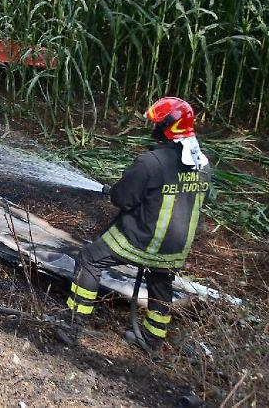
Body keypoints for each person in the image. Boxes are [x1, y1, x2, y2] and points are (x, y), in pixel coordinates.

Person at [56, 97, 211, 352]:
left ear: (166, 126)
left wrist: (116, 189)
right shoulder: (201, 163)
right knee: (160, 280)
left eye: (156, 124)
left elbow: (122, 199)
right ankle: (152, 341)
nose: (153, 128)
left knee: (90, 258)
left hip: (142, 240)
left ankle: (73, 324)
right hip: (174, 248)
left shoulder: (151, 162)